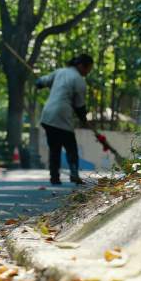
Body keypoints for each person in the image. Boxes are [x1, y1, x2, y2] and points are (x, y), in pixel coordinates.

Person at [36, 54, 94, 185]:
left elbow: (40, 82)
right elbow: (79, 106)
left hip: (48, 115)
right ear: (81, 66)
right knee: (71, 147)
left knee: (54, 148)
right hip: (62, 116)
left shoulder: (60, 72)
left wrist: (39, 83)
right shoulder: (79, 80)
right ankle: (74, 173)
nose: (87, 72)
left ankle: (54, 177)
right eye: (88, 69)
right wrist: (83, 119)